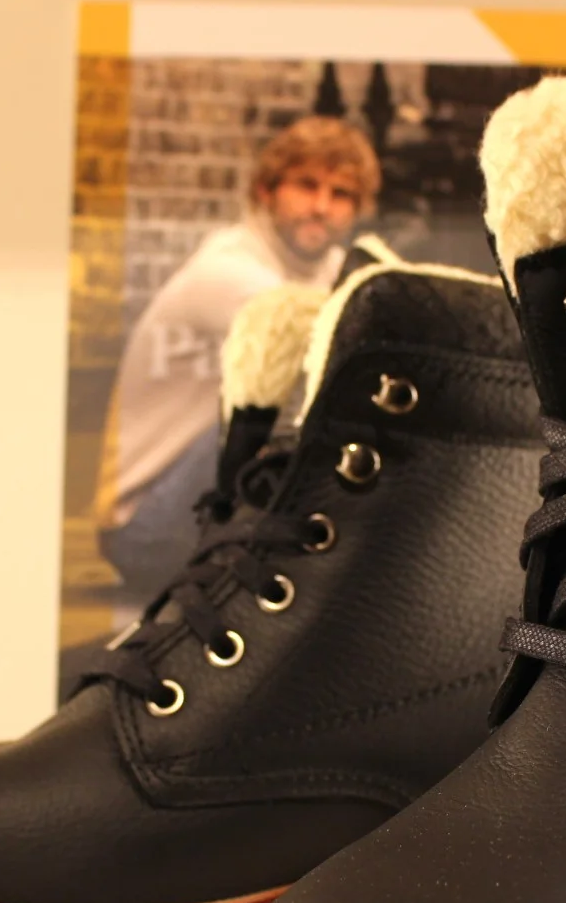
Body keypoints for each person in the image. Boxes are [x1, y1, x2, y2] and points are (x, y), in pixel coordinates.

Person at [95, 115, 380, 612]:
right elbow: (331, 340)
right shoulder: (225, 270)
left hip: (206, 506)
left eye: (341, 195)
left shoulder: (333, 268)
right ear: (266, 190)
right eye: (306, 185)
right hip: (144, 525)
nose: (321, 206)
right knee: (296, 407)